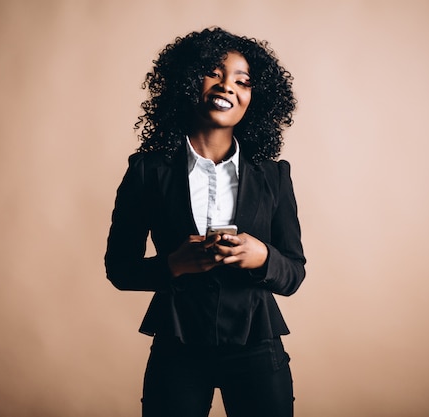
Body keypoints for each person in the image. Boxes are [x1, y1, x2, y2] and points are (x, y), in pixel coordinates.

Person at [105, 27, 306, 417]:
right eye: (214, 72)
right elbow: (119, 269)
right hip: (177, 348)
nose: (227, 86)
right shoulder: (148, 170)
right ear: (186, 81)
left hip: (258, 346)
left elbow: (294, 273)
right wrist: (173, 265)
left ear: (255, 99)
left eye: (242, 81)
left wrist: (263, 256)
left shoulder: (273, 175)